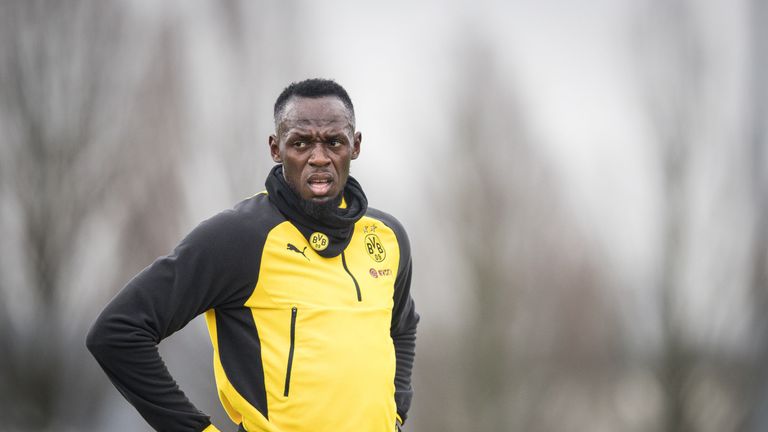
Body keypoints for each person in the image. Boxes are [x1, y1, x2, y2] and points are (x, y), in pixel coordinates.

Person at [86, 78, 419, 432]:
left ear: (355, 146)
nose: (318, 157)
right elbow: (117, 332)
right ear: (276, 148)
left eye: (334, 142)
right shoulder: (239, 238)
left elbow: (402, 326)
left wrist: (396, 412)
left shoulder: (387, 236)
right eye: (301, 143)